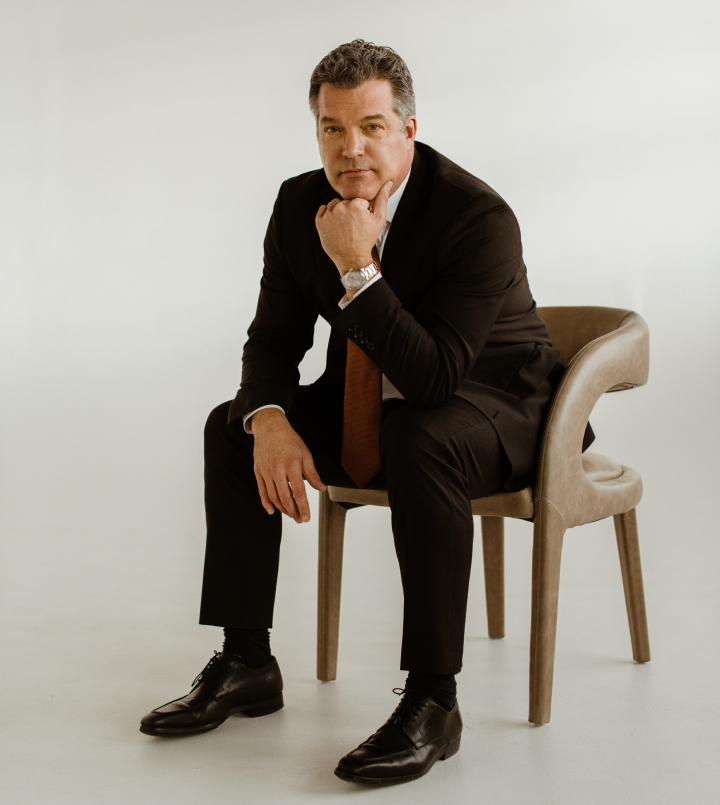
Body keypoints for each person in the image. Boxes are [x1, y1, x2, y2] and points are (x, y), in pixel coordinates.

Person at [139, 39, 591, 786]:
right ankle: (248, 657)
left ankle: (433, 700)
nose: (352, 149)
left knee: (419, 431)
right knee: (232, 424)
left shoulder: (477, 216)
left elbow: (438, 377)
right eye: (332, 128)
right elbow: (273, 339)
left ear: (409, 130)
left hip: (502, 407)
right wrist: (272, 419)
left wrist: (357, 266)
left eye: (373, 127)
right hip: (379, 404)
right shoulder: (297, 206)